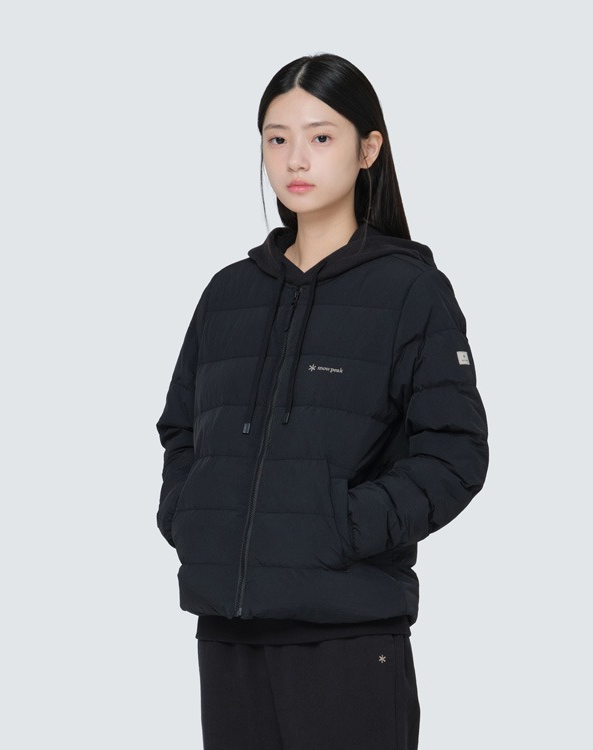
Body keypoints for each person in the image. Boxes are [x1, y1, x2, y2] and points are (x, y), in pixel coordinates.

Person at [156, 52, 489, 750]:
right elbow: (181, 430)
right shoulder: (229, 293)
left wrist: (339, 526)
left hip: (347, 639)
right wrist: (191, 518)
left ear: (369, 149)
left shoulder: (410, 292)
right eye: (277, 138)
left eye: (321, 136)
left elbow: (455, 454)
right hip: (229, 638)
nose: (295, 159)